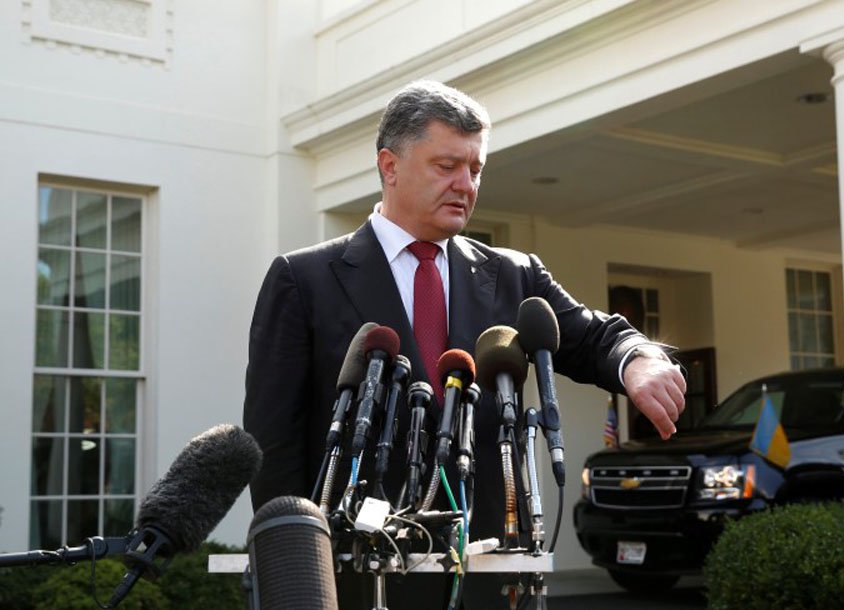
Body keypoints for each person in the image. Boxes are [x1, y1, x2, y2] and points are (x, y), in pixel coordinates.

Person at [243, 80, 686, 609]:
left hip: (487, 572)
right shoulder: (303, 278)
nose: (466, 184)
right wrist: (296, 572)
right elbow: (275, 447)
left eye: (475, 169)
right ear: (390, 166)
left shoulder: (513, 275)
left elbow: (593, 336)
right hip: (358, 576)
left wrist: (638, 358)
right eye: (446, 165)